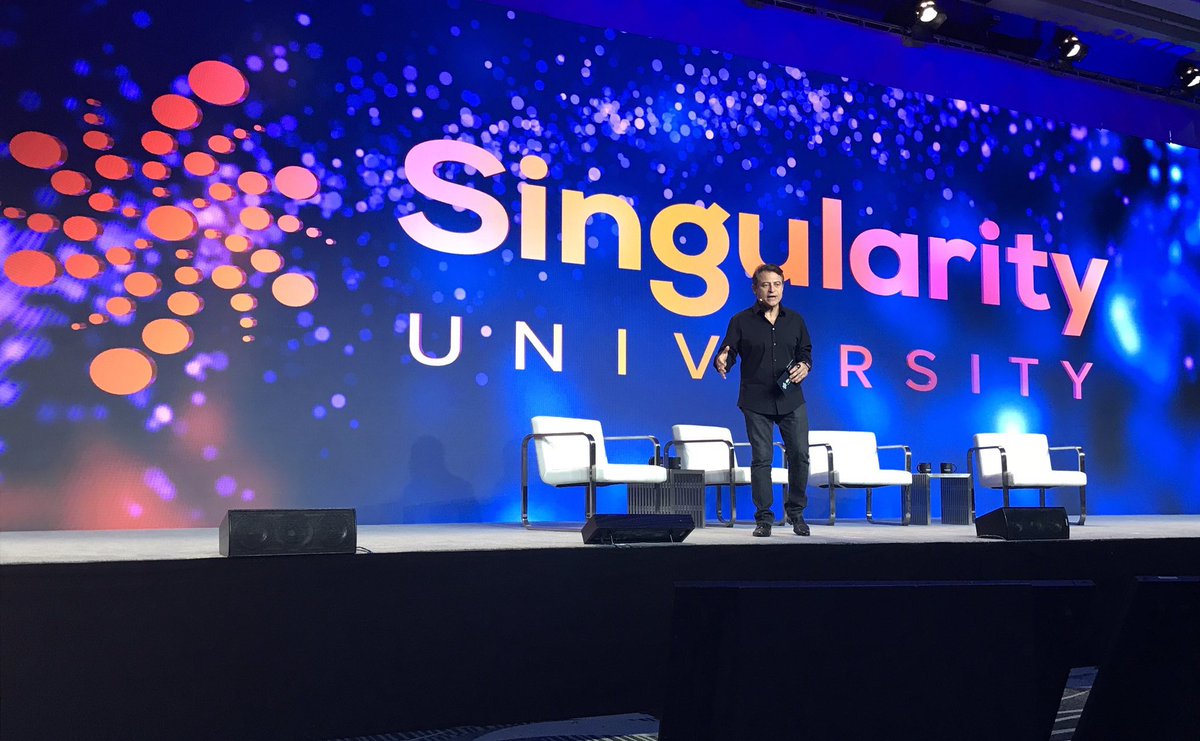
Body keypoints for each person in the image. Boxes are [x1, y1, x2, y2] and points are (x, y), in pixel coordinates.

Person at [714, 264, 812, 537]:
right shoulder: (741, 321)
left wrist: (805, 365)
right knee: (762, 459)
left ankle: (796, 514)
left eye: (777, 284)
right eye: (766, 285)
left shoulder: (795, 320)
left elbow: (805, 352)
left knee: (800, 455)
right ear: (755, 289)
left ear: (783, 287)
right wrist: (722, 360)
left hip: (791, 398)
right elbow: (729, 350)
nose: (772, 290)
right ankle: (764, 519)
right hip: (756, 400)